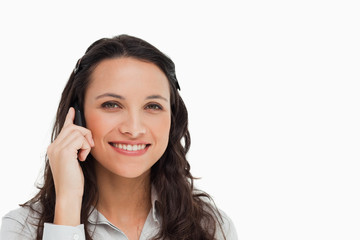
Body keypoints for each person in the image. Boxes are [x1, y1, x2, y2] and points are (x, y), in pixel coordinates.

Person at [0, 34, 237, 240]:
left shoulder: (211, 226)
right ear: (78, 116)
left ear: (172, 119)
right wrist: (68, 204)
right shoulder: (21, 230)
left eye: (152, 106)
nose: (134, 129)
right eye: (111, 104)